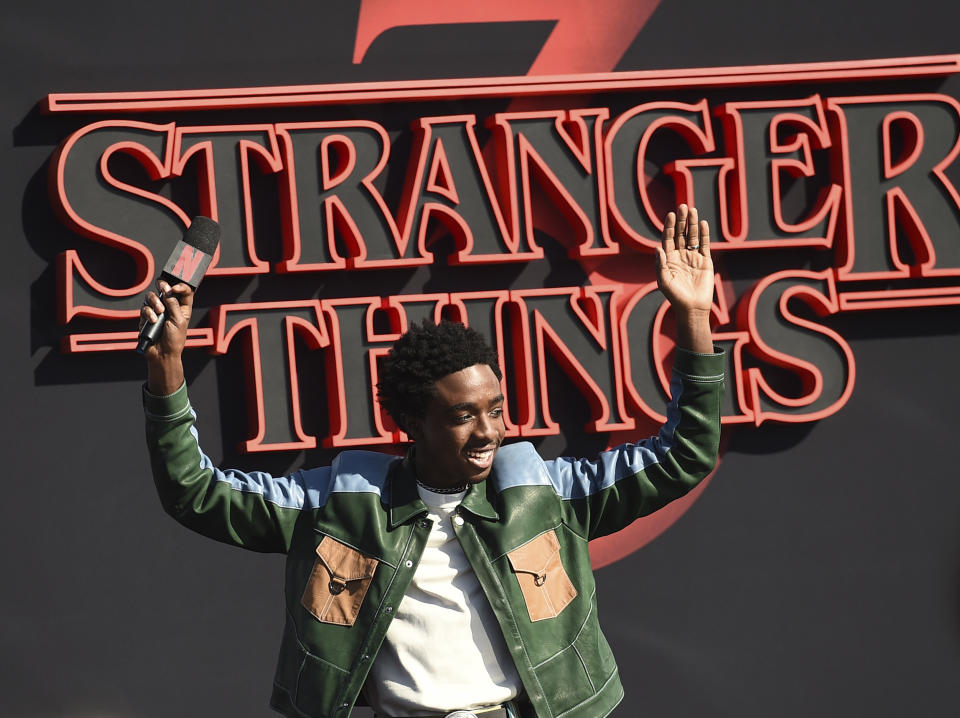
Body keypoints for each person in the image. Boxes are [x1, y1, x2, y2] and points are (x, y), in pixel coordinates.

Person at [140, 205, 724, 718]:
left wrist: (693, 319)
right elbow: (193, 492)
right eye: (464, 416)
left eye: (496, 410)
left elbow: (683, 455)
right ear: (413, 426)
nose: (489, 431)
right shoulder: (341, 505)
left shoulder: (540, 492)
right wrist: (167, 363)